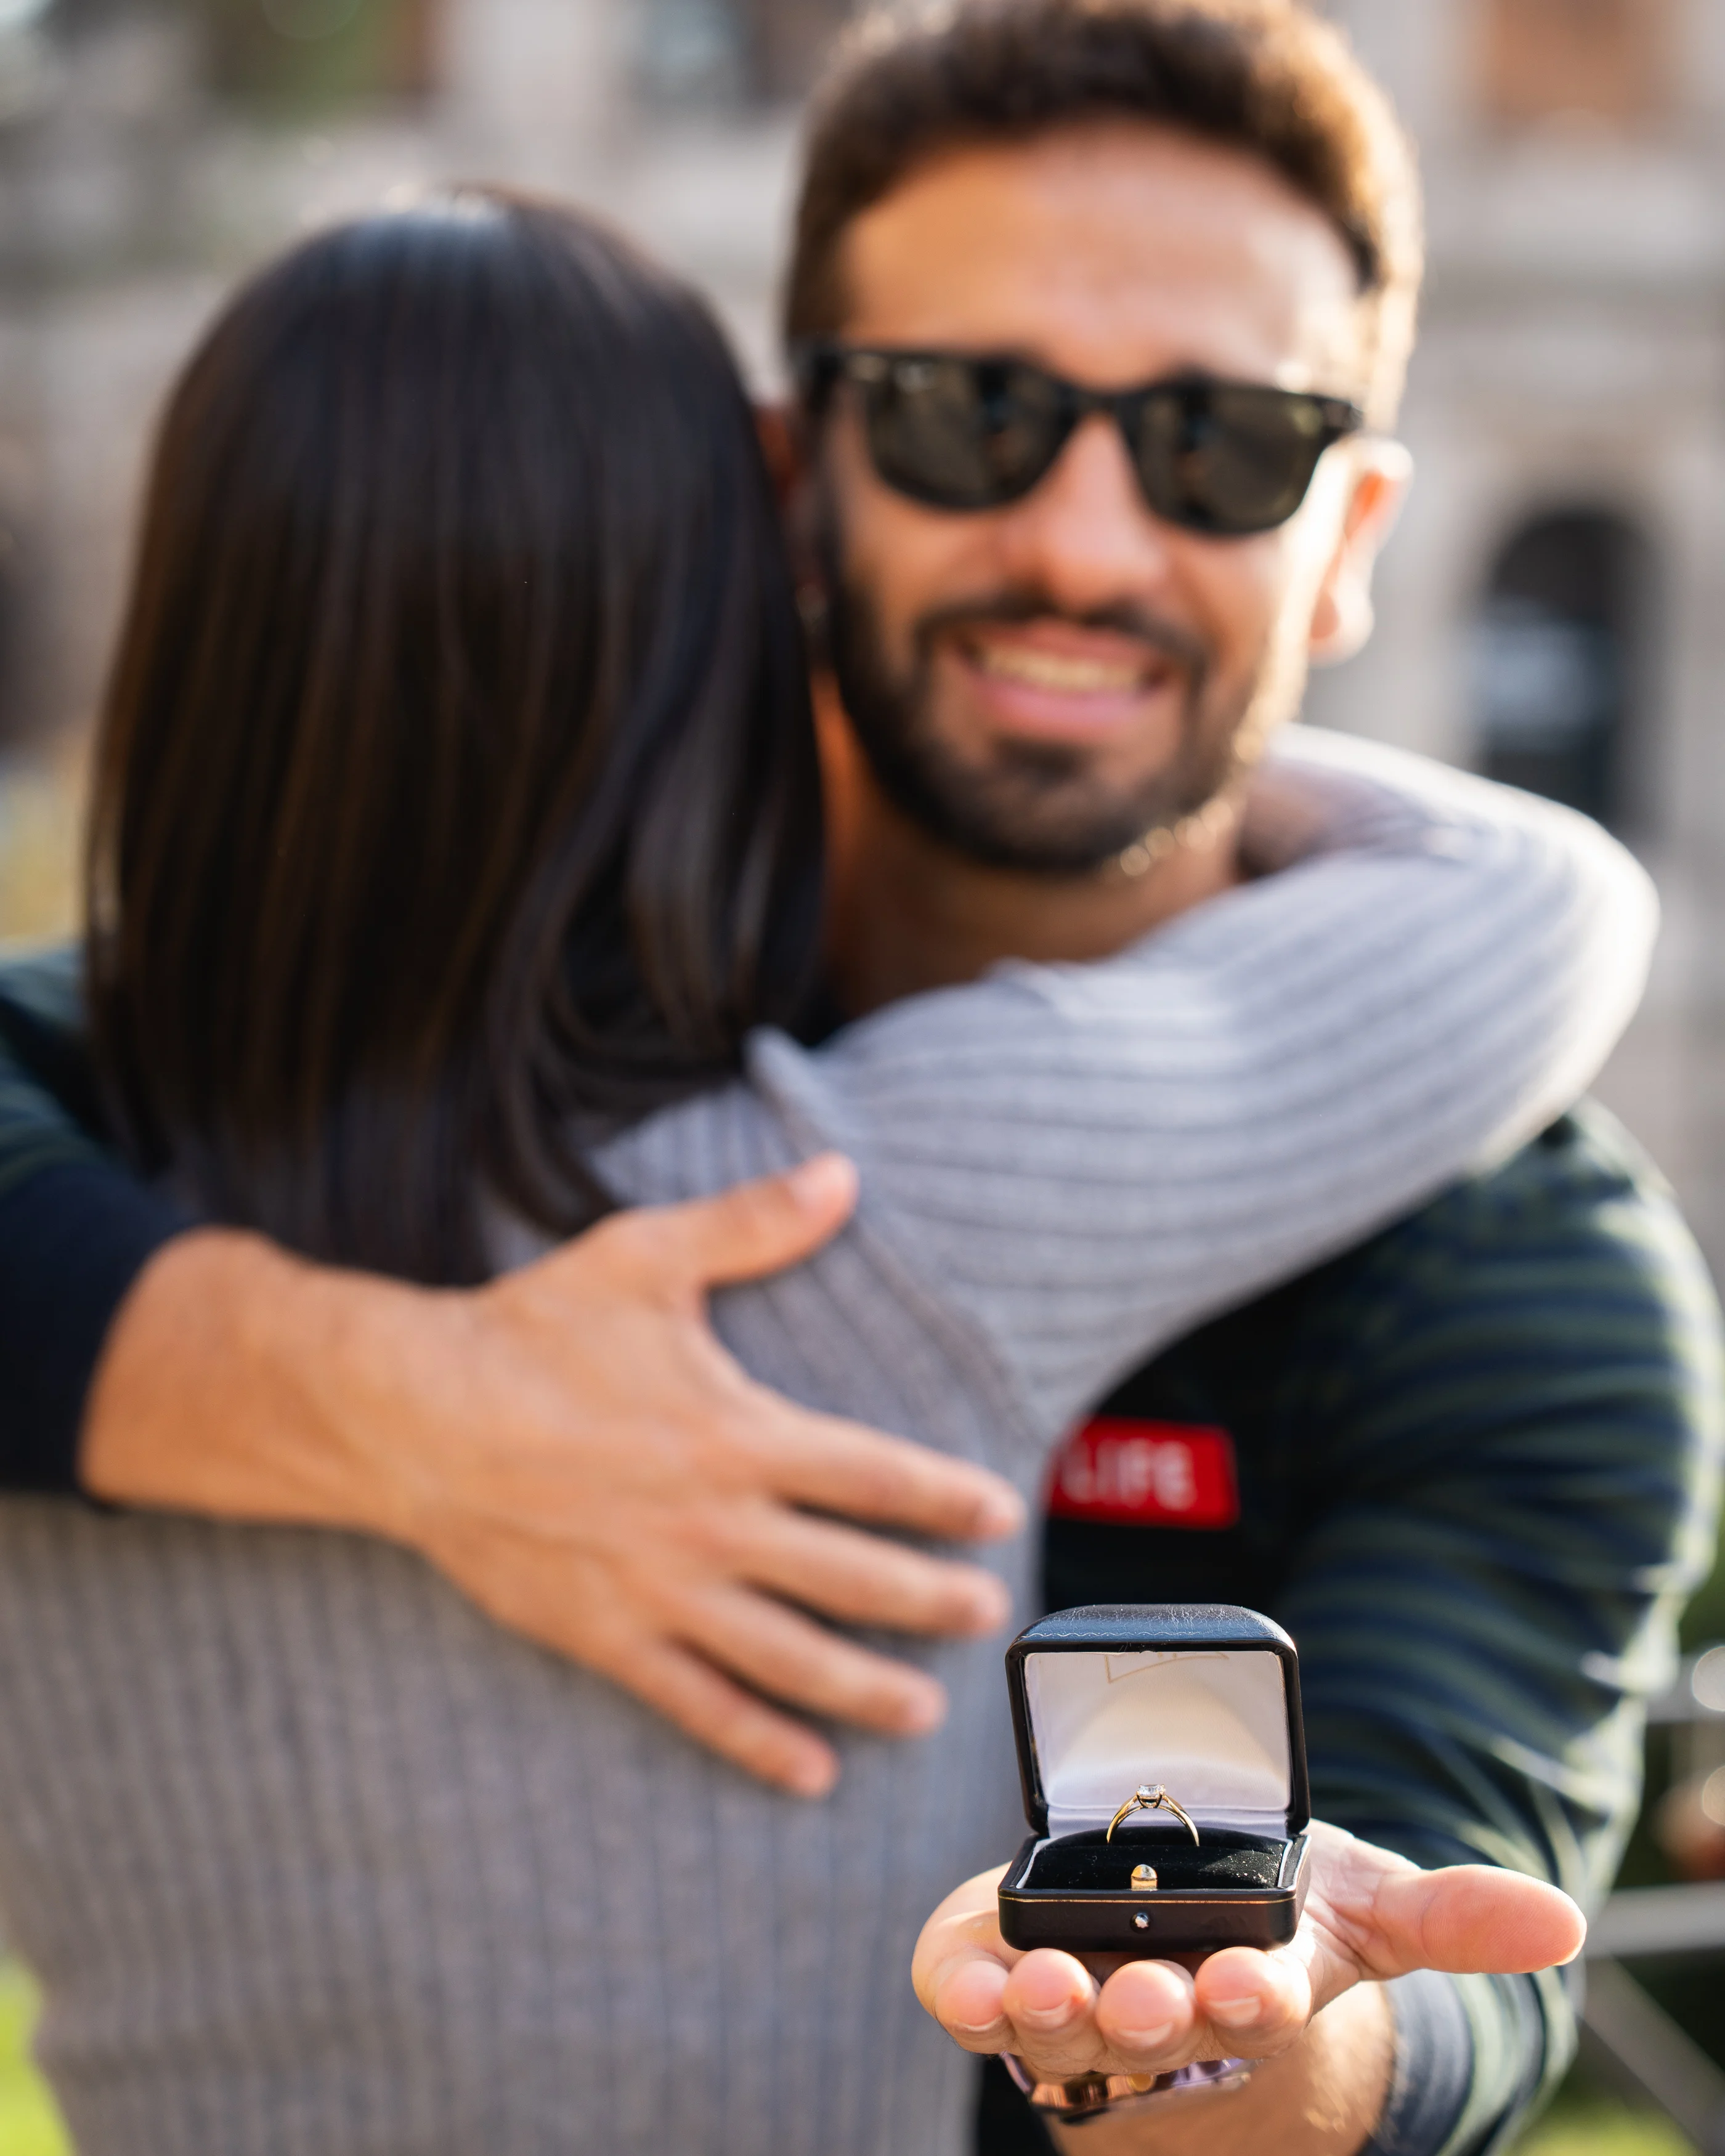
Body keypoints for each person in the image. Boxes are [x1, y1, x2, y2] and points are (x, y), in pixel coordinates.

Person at [0, 2, 1714, 2152]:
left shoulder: (1524, 1268)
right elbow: (1538, 896)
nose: (1085, 543)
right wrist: (396, 1396)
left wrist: (1231, 2024)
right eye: (973, 413)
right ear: (787, 479)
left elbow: (1438, 1917)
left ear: (1355, 531)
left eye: (1222, 447)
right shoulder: (901, 1199)